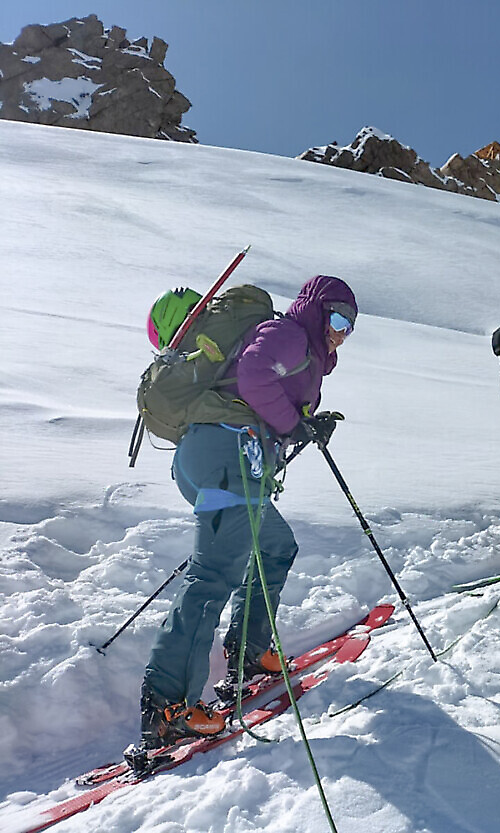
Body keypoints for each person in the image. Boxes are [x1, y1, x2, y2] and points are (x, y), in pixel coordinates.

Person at [137, 275, 358, 752]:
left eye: (350, 324)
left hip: (217, 457)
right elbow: (255, 372)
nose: (342, 330)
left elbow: (264, 390)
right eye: (338, 317)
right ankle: (167, 707)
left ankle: (251, 653)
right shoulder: (290, 333)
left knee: (275, 546)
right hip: (226, 455)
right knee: (213, 574)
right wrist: (292, 422)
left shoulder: (304, 349)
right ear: (318, 310)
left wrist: (300, 425)